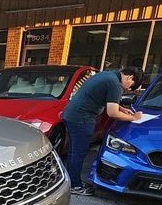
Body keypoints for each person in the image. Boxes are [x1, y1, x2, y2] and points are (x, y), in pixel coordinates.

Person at [61, 67, 144, 196]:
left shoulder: (107, 75)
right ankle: (75, 186)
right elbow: (112, 113)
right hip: (82, 119)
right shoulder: (115, 84)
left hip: (72, 115)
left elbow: (103, 98)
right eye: (131, 86)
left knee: (73, 151)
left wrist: (121, 108)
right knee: (78, 153)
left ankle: (68, 181)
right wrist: (133, 117)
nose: (128, 89)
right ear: (130, 77)